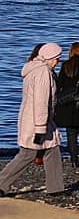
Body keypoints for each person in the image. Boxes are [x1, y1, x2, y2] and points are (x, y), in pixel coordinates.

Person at [0, 42, 65, 197]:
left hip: (31, 119)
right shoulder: (43, 72)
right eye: (57, 58)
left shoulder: (33, 69)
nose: (58, 62)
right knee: (28, 154)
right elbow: (41, 101)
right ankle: (1, 184)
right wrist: (40, 127)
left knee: (51, 151)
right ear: (49, 57)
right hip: (38, 121)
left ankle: (55, 188)